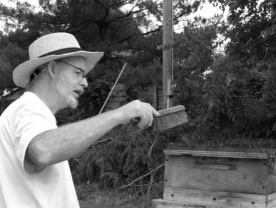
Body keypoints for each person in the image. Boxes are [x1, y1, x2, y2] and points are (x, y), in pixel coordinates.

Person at [0, 32, 159, 208]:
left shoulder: (33, 112)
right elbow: (42, 150)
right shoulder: (28, 108)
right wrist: (118, 114)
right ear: (53, 69)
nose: (85, 83)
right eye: (78, 73)